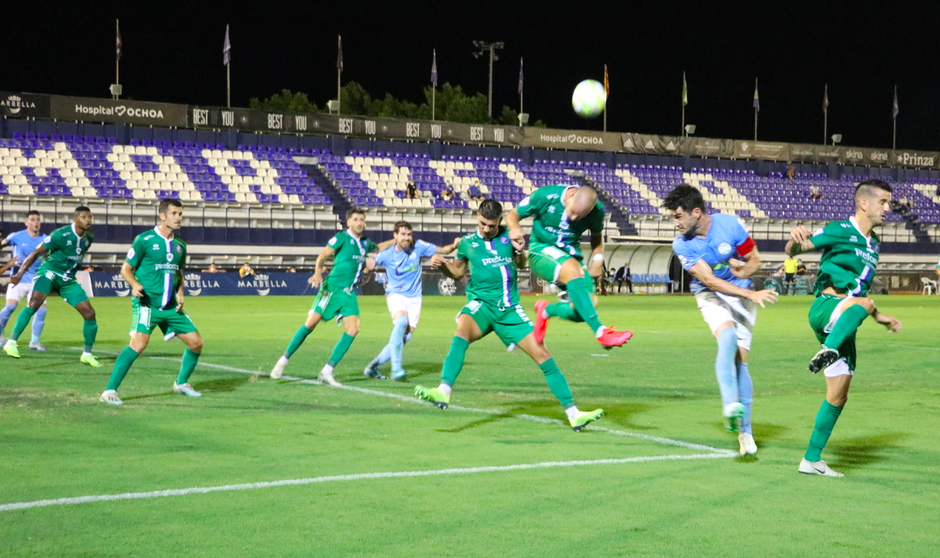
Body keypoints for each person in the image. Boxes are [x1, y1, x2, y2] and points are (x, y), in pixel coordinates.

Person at [414, 199, 605, 431]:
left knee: (543, 355)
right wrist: (444, 265)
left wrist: (519, 251)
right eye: (483, 224)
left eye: (491, 225)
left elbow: (522, 262)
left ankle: (574, 414)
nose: (486, 229)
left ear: (499, 222)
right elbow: (457, 272)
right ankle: (443, 391)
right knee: (462, 330)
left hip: (510, 309)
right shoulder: (467, 243)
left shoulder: (509, 237)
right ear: (477, 217)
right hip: (481, 305)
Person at [785, 179, 901, 477]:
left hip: (847, 318)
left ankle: (811, 460)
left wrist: (881, 317)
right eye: (884, 202)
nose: (889, 208)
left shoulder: (874, 243)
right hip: (826, 308)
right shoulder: (840, 229)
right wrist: (795, 239)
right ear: (865, 203)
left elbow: (860, 294)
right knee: (862, 303)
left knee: (838, 394)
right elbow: (795, 248)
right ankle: (827, 348)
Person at [662, 184, 778, 455]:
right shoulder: (681, 244)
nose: (675, 223)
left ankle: (745, 433)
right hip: (711, 294)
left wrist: (743, 270)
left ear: (696, 212)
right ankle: (729, 405)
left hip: (743, 293)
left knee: (741, 361)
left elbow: (754, 259)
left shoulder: (731, 225)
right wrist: (749, 289)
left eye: (678, 217)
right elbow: (710, 281)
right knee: (726, 337)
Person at [99, 199, 204, 405]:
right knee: (138, 344)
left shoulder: (181, 245)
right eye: (174, 213)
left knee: (196, 343)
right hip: (147, 304)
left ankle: (181, 383)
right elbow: (125, 269)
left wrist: (181, 293)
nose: (178, 218)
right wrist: (135, 284)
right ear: (162, 216)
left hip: (170, 306)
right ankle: (109, 391)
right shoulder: (144, 240)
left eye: (180, 214)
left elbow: (179, 272)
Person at [506, 184, 632, 348]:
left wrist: (598, 259)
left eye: (579, 216)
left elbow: (597, 236)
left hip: (572, 258)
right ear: (570, 196)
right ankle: (601, 332)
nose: (573, 218)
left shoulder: (597, 211)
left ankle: (546, 311)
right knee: (574, 272)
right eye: (572, 212)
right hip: (541, 251)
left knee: (586, 307)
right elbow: (512, 215)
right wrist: (515, 228)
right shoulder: (545, 196)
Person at [270, 208, 379, 385]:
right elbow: (323, 255)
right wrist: (318, 273)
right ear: (349, 222)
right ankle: (282, 361)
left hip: (349, 292)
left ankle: (327, 371)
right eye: (356, 219)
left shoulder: (366, 243)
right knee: (311, 323)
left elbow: (380, 247)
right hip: (333, 287)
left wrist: (397, 241)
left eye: (362, 220)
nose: (360, 223)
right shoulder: (342, 238)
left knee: (353, 329)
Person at [2, 206, 101, 366]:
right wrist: (19, 275)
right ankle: (11, 342)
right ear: (75, 219)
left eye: (90, 217)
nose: (88, 220)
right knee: (34, 303)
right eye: (84, 217)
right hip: (49, 272)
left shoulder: (89, 237)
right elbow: (35, 253)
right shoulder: (60, 234)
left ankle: (87, 354)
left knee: (89, 313)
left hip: (67, 279)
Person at [363, 221, 456, 381]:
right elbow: (367, 263)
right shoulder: (387, 254)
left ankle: (372, 367)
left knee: (405, 337)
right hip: (396, 294)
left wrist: (455, 245)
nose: (407, 238)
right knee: (401, 323)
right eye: (403, 234)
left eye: (409, 234)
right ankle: (396, 369)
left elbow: (445, 250)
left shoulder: (418, 246)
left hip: (414, 298)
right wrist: (368, 266)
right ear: (395, 236)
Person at [0, 211, 49, 350]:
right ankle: (0, 335)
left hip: (37, 280)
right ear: (26, 222)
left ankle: (34, 342)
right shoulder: (16, 236)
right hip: (19, 279)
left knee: (41, 310)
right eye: (32, 219)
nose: (36, 222)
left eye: (38, 220)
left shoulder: (46, 240)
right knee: (10, 307)